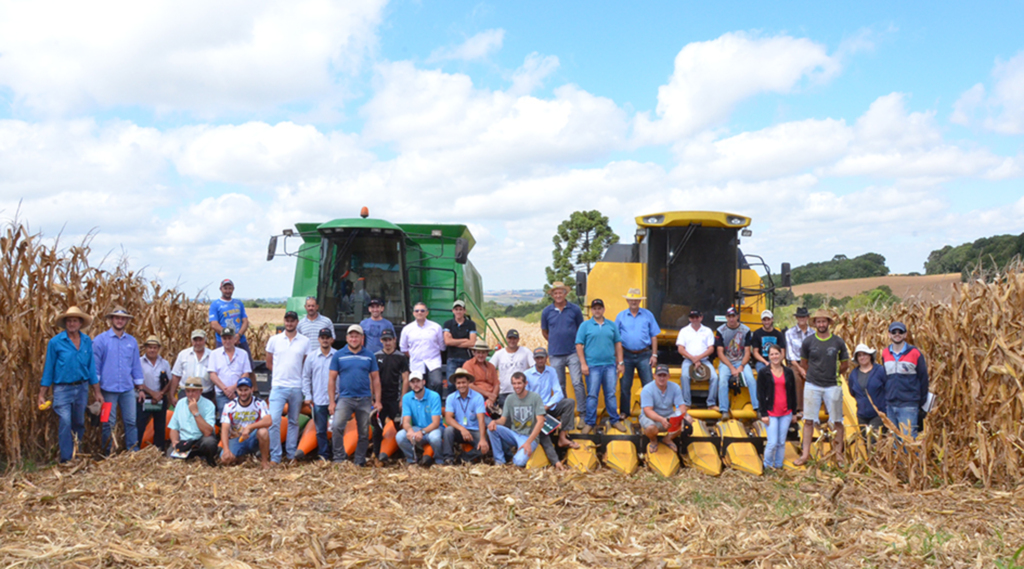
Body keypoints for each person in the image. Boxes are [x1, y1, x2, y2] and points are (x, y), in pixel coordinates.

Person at [39, 306, 102, 463]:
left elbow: (91, 368)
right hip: (62, 389)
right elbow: (48, 368)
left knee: (79, 422)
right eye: (69, 320)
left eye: (75, 320)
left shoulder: (87, 341)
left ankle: (77, 454)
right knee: (65, 421)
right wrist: (42, 394)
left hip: (81, 388)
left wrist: (97, 391)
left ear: (80, 323)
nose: (72, 324)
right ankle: (67, 459)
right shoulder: (55, 342)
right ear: (65, 323)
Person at [795, 309, 850, 466]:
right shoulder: (809, 342)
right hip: (812, 385)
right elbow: (804, 363)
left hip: (832, 385)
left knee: (837, 421)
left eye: (824, 321)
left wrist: (835, 373)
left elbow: (845, 363)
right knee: (808, 421)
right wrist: (813, 374)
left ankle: (838, 455)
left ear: (828, 323)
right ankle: (805, 454)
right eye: (818, 322)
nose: (821, 324)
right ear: (815, 324)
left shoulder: (838, 342)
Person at [93, 306, 145, 455]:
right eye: (117, 318)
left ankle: (133, 451)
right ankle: (107, 453)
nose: (120, 321)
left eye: (123, 318)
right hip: (107, 390)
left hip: (127, 390)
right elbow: (95, 368)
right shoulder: (100, 340)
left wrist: (140, 388)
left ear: (126, 321)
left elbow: (136, 366)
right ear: (111, 320)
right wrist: (97, 391)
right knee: (107, 423)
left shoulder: (131, 341)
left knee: (131, 422)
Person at [328, 324, 382, 466]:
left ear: (362, 338)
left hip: (365, 398)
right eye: (351, 336)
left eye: (357, 336)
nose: (354, 338)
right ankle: (339, 458)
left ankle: (359, 460)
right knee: (337, 427)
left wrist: (377, 400)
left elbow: (376, 379)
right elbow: (332, 379)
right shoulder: (339, 356)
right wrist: (332, 402)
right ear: (346, 338)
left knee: (364, 432)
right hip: (345, 398)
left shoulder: (369, 356)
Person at [265, 311, 310, 463]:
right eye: (287, 320)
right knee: (273, 421)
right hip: (278, 386)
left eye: (292, 321)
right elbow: (269, 362)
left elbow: (305, 363)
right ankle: (276, 456)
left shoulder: (305, 341)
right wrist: (280, 375)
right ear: (284, 321)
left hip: (296, 387)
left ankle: (291, 455)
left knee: (294, 422)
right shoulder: (274, 340)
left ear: (297, 322)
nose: (289, 323)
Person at [575, 299, 625, 434]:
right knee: (592, 395)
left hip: (610, 365)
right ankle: (590, 422)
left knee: (610, 394)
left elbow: (618, 344)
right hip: (592, 366)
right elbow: (579, 345)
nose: (597, 310)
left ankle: (614, 420)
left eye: (599, 308)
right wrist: (583, 364)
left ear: (603, 309)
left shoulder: (611, 325)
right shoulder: (585, 326)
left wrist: (620, 363)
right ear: (591, 310)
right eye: (595, 308)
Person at [616, 288, 660, 420]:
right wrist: (619, 360)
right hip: (626, 355)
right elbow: (616, 339)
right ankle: (624, 412)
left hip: (644, 354)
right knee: (625, 385)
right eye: (631, 299)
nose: (633, 301)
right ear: (627, 300)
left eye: (636, 299)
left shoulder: (648, 315)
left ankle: (649, 412)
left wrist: (654, 355)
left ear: (640, 301)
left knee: (648, 384)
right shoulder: (620, 316)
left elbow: (654, 336)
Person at [525, 347, 579, 453]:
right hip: (535, 411)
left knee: (569, 403)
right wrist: (538, 409)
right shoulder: (527, 374)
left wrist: (547, 405)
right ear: (534, 359)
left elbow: (558, 392)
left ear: (547, 358)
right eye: (537, 358)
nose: (540, 360)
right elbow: (526, 396)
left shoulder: (551, 371)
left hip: (548, 407)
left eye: (542, 358)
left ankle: (562, 437)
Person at [880, 322, 929, 437]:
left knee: (909, 438)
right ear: (889, 334)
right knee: (894, 440)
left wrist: (920, 401)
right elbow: (885, 377)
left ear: (905, 334)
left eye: (900, 332)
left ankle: (912, 456)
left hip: (909, 404)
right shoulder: (885, 353)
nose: (897, 334)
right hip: (891, 404)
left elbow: (923, 378)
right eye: (894, 332)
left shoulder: (915, 353)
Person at [487, 372, 546, 467]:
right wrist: (494, 421)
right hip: (514, 434)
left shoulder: (535, 397)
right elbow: (502, 420)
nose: (516, 386)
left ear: (525, 383)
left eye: (519, 383)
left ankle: (516, 457)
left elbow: (540, 422)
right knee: (492, 428)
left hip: (529, 437)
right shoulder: (510, 398)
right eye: (514, 383)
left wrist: (528, 442)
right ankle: (499, 462)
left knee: (518, 462)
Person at [541, 282, 585, 403]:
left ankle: (582, 413)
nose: (558, 295)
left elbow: (581, 329)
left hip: (573, 352)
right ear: (552, 295)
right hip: (555, 354)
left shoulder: (575, 309)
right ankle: (566, 412)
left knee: (577, 383)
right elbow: (544, 331)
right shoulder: (546, 312)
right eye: (555, 293)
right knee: (559, 385)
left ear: (565, 294)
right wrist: (554, 341)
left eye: (561, 292)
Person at [756, 344, 798, 470]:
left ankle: (778, 465)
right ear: (768, 356)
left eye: (776, 354)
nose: (774, 356)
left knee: (781, 442)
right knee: (772, 442)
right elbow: (760, 394)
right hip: (771, 412)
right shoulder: (764, 373)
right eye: (772, 354)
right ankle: (768, 465)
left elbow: (792, 393)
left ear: (781, 355)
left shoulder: (788, 372)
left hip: (786, 412)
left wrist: (794, 412)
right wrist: (763, 413)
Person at [219, 377, 272, 469]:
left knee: (263, 431)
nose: (243, 393)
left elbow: (268, 420)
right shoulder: (229, 406)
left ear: (252, 390)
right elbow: (224, 429)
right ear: (236, 390)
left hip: (253, 436)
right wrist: (226, 450)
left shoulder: (259, 403)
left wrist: (250, 427)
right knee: (225, 459)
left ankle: (264, 462)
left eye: (246, 390)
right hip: (237, 438)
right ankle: (241, 457)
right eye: (240, 390)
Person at [373, 329, 409, 462]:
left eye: (390, 340)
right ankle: (376, 455)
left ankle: (401, 454)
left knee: (399, 426)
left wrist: (402, 399)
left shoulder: (401, 357)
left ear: (394, 340)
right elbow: (372, 377)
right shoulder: (376, 356)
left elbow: (405, 378)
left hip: (395, 398)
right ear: (381, 341)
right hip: (380, 399)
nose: (387, 343)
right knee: (378, 428)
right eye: (385, 340)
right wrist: (375, 399)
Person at [441, 369, 490, 465]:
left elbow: (481, 419)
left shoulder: (478, 397)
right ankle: (448, 459)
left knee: (484, 448)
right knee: (448, 430)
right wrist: (462, 429)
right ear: (455, 384)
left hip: (475, 430)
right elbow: (448, 418)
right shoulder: (451, 397)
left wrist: (482, 439)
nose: (461, 385)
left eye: (463, 382)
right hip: (459, 430)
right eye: (458, 383)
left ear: (468, 382)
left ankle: (462, 458)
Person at [712, 307, 755, 415]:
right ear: (726, 317)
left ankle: (757, 407)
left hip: (742, 362)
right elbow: (720, 353)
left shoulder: (746, 330)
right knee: (722, 381)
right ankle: (724, 410)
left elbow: (747, 352)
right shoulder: (720, 331)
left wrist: (741, 367)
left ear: (737, 316)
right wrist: (731, 368)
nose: (731, 319)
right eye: (729, 316)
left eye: (733, 316)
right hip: (726, 363)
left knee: (751, 379)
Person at [167, 377, 219, 465]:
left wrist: (195, 412)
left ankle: (208, 459)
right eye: (188, 391)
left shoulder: (209, 405)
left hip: (200, 439)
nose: (190, 394)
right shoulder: (180, 403)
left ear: (200, 391)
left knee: (209, 442)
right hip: (184, 440)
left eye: (194, 391)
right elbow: (174, 428)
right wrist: (174, 441)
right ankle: (189, 457)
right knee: (169, 455)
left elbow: (208, 432)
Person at [302, 328, 336, 460]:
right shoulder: (311, 357)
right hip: (318, 399)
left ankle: (336, 454)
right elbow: (306, 377)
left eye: (327, 337)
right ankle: (323, 455)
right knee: (321, 430)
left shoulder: (338, 356)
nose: (325, 340)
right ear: (318, 339)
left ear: (332, 339)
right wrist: (308, 396)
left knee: (336, 429)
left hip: (335, 399)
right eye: (323, 337)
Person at [396, 372, 444, 466]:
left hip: (433, 428)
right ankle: (412, 459)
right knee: (400, 436)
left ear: (424, 382)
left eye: (418, 381)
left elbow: (436, 423)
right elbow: (405, 421)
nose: (415, 384)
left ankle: (439, 461)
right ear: (409, 384)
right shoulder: (406, 397)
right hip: (417, 427)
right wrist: (409, 430)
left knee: (435, 437)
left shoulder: (434, 396)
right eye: (412, 382)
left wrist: (422, 432)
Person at [640, 364, 688, 454]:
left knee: (687, 420)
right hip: (652, 417)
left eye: (664, 375)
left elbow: (679, 405)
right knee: (650, 428)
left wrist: (677, 416)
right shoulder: (647, 389)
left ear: (668, 376)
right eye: (659, 375)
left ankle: (667, 439)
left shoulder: (675, 387)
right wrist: (661, 419)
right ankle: (653, 440)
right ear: (654, 376)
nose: (662, 378)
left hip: (668, 415)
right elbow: (647, 410)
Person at [675, 309, 718, 409]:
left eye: (697, 317)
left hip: (704, 360)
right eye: (692, 317)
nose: (695, 319)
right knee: (685, 376)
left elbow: (711, 348)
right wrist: (693, 359)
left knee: (715, 377)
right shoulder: (684, 331)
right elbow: (680, 348)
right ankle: (686, 403)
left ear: (701, 318)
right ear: (689, 319)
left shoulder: (708, 331)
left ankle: (711, 403)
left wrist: (698, 358)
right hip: (688, 360)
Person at [400, 302, 445, 396]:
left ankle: (436, 406)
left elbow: (442, 346)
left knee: (437, 383)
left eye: (422, 310)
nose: (419, 312)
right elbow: (403, 348)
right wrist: (413, 355)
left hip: (433, 362)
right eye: (417, 311)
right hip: (416, 363)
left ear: (427, 313)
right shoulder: (407, 329)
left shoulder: (436, 327)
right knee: (417, 387)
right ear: (413, 313)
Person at [208, 327, 252, 419]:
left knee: (240, 419)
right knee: (225, 420)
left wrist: (233, 388)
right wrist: (226, 390)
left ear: (234, 339)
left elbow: (246, 373)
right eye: (225, 338)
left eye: (229, 338)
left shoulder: (243, 353)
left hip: (240, 393)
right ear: (221, 339)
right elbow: (212, 375)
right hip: (221, 394)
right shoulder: (214, 354)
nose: (227, 341)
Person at [137, 335, 172, 452]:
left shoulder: (164, 363)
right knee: (140, 426)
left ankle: (159, 451)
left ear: (158, 349)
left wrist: (160, 394)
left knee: (160, 427)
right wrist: (152, 393)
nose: (152, 350)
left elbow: (170, 380)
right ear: (145, 348)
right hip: (143, 398)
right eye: (150, 347)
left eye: (155, 347)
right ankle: (136, 451)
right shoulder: (139, 362)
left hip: (160, 399)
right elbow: (136, 380)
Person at [490, 329, 533, 408]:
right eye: (510, 338)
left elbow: (534, 369)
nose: (512, 341)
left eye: (514, 338)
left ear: (518, 340)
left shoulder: (526, 352)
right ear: (506, 339)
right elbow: (490, 368)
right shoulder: (499, 354)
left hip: (521, 392)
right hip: (504, 393)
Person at [848, 344, 887, 430]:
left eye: (865, 354)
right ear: (857, 359)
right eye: (859, 355)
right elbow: (852, 392)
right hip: (862, 415)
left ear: (870, 356)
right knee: (865, 440)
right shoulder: (853, 374)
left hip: (878, 414)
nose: (862, 357)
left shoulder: (880, 370)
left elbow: (887, 388)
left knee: (873, 439)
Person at [170, 329, 212, 407]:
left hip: (206, 394)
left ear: (205, 340)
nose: (198, 343)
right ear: (191, 341)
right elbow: (176, 375)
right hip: (186, 393)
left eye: (200, 340)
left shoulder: (212, 355)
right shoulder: (183, 354)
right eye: (195, 340)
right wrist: (172, 395)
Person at [443, 300, 477, 394]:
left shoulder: (471, 324)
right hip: (452, 358)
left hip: (466, 358)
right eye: (456, 309)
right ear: (453, 311)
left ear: (464, 311)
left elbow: (472, 343)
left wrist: (454, 341)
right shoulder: (447, 324)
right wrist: (464, 340)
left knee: (468, 383)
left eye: (460, 309)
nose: (458, 311)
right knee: (451, 384)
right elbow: (447, 342)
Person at [784, 307, 814, 410]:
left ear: (808, 317)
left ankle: (817, 407)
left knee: (817, 377)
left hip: (810, 362)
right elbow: (790, 354)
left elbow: (815, 352)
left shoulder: (814, 333)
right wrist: (800, 368)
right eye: (800, 317)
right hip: (795, 363)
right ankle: (799, 408)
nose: (802, 318)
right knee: (796, 378)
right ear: (796, 318)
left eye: (804, 316)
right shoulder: (789, 333)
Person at [208, 279, 250, 352]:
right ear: (221, 289)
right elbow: (214, 324)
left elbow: (245, 321)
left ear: (233, 289)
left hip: (240, 340)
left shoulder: (239, 303)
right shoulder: (215, 304)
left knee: (247, 362)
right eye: (225, 288)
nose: (228, 291)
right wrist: (229, 337)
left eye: (230, 288)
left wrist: (238, 336)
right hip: (223, 341)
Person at [464, 337, 499, 410]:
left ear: (487, 353)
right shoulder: (468, 365)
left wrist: (492, 397)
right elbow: (469, 385)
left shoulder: (491, 366)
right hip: (475, 397)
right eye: (478, 352)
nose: (481, 355)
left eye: (483, 352)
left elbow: (496, 384)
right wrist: (488, 394)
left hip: (491, 398)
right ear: (474, 353)